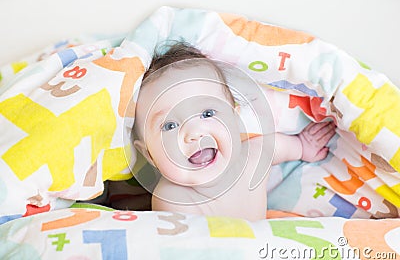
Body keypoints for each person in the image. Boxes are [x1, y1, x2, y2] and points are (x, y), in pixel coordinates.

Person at [132, 42, 336, 221]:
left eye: (207, 113)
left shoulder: (253, 155)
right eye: (169, 126)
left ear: (236, 120)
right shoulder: (173, 199)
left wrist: (303, 146)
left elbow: (280, 147)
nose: (194, 133)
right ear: (149, 154)